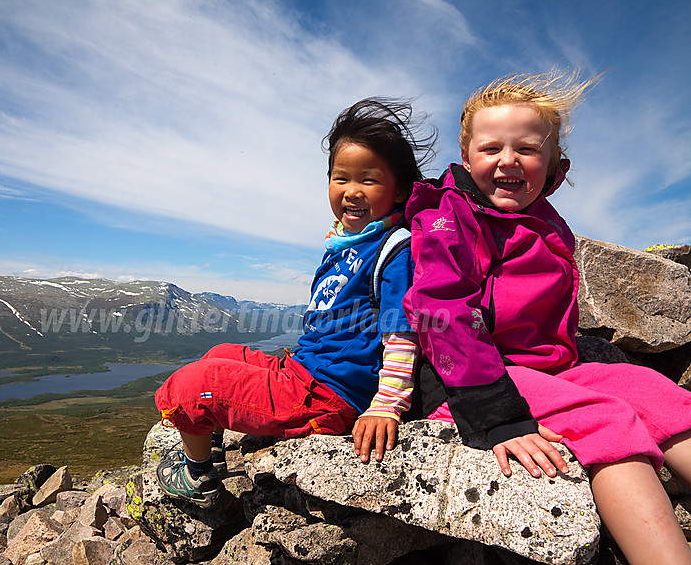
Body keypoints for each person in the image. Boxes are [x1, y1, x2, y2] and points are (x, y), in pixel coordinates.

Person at [404, 70, 691, 564]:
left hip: (546, 367)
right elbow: (441, 312)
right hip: (469, 380)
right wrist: (500, 416)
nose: (508, 160)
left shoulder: (542, 218)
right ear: (467, 156)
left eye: (528, 149)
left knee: (658, 393)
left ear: (554, 163)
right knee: (606, 418)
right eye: (491, 148)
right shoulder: (449, 218)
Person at [154, 97, 436, 508]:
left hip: (328, 394)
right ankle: (210, 444)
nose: (351, 191)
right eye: (341, 179)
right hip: (304, 369)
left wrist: (386, 406)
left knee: (188, 387)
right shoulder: (348, 242)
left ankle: (198, 477)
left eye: (369, 180)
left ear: (400, 191)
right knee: (220, 352)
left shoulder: (395, 249)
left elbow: (401, 333)